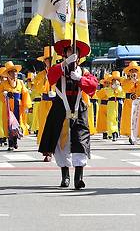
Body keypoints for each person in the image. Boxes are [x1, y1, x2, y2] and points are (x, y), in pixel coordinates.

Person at [38, 40, 98, 189]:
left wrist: (80, 79)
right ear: (64, 54)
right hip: (60, 109)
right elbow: (50, 77)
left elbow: (93, 87)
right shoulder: (58, 69)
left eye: (75, 52)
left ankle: (79, 177)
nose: (73, 54)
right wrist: (64, 65)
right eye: (70, 51)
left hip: (78, 109)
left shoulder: (84, 72)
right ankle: (65, 176)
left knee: (80, 142)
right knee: (61, 143)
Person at [34, 46, 60, 162]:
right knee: (44, 125)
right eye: (47, 59)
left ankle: (57, 149)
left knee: (58, 125)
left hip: (56, 102)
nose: (49, 61)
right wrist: (45, 79)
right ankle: (47, 151)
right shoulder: (40, 75)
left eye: (51, 59)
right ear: (44, 61)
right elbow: (38, 89)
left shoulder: (59, 72)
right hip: (45, 102)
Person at [0, 61, 31, 151]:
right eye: (12, 72)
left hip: (18, 106)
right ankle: (10, 143)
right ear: (8, 74)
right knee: (9, 124)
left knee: (17, 124)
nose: (14, 74)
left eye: (15, 72)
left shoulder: (20, 82)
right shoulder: (4, 84)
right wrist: (4, 94)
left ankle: (15, 141)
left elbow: (25, 93)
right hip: (8, 107)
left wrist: (26, 106)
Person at [120, 61, 140, 145]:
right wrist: (131, 81)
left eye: (135, 70)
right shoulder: (125, 81)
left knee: (137, 118)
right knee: (129, 119)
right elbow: (125, 89)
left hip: (137, 101)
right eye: (131, 70)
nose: (133, 72)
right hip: (129, 102)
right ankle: (130, 135)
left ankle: (136, 134)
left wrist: (136, 81)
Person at [104, 71, 124, 142]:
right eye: (113, 80)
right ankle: (113, 132)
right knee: (111, 118)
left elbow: (122, 94)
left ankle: (119, 130)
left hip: (119, 102)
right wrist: (112, 88)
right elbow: (109, 94)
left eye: (117, 80)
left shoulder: (121, 88)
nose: (115, 82)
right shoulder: (108, 88)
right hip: (111, 102)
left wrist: (117, 87)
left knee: (119, 117)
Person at [95, 74, 111, 139]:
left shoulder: (112, 90)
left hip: (110, 105)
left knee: (110, 119)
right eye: (105, 83)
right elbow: (99, 95)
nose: (107, 84)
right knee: (103, 120)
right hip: (103, 105)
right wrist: (105, 90)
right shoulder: (102, 90)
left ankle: (111, 132)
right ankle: (105, 133)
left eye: (108, 83)